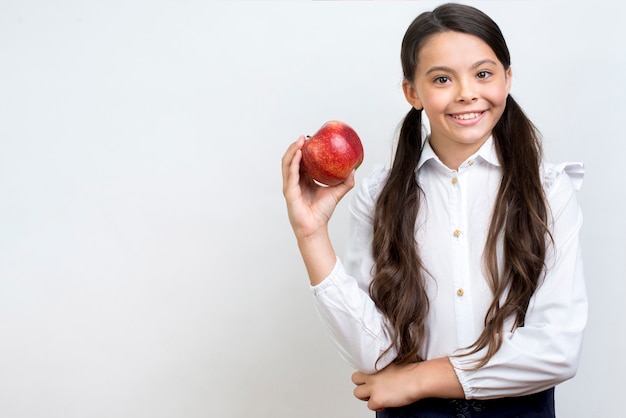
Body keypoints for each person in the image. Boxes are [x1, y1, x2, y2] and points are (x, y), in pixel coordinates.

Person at [281, 3, 586, 417]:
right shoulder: (380, 193)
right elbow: (374, 354)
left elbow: (558, 349)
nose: (466, 92)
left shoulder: (549, 190)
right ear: (412, 92)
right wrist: (311, 235)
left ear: (507, 78)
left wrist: (417, 378)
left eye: (483, 73)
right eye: (442, 78)